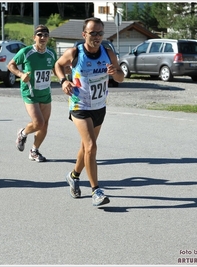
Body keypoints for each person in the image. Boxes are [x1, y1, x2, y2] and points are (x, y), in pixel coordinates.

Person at [54, 17, 125, 206]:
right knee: (91, 147)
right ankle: (96, 191)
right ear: (84, 34)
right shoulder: (74, 53)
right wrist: (64, 81)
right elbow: (58, 65)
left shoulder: (108, 53)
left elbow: (121, 77)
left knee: (86, 147)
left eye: (100, 33)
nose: (97, 36)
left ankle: (73, 175)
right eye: (93, 33)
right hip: (79, 106)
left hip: (99, 107)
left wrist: (114, 73)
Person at [7, 25, 57, 162]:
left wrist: (64, 76)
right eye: (40, 35)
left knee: (45, 124)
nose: (43, 37)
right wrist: (20, 74)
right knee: (38, 122)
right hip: (30, 92)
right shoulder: (26, 52)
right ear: (34, 37)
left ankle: (34, 150)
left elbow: (55, 68)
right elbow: (10, 65)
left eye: (46, 35)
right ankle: (22, 133)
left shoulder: (51, 53)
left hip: (45, 93)